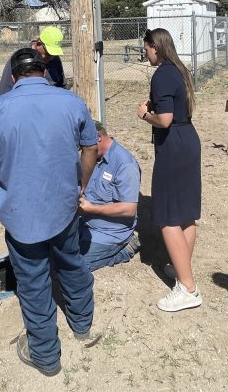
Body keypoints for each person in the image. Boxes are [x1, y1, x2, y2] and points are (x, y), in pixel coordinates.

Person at [0, 47, 98, 376]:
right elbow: (91, 147)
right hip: (64, 207)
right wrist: (80, 184)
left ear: (13, 78)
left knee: (33, 281)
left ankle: (45, 355)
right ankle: (82, 324)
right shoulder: (71, 102)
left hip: (19, 216)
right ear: (44, 72)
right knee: (71, 262)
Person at [139, 28, 202, 312]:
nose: (145, 53)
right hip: (187, 139)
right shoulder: (179, 70)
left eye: (146, 48)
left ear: (155, 46)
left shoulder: (162, 74)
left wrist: (144, 114)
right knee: (185, 213)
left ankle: (188, 288)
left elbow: (164, 120)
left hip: (173, 145)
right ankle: (181, 267)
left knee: (167, 216)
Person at [78, 122, 141, 271]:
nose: (83, 152)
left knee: (75, 268)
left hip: (109, 233)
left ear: (98, 138)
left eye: (84, 147)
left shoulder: (125, 165)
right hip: (84, 224)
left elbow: (129, 209)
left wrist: (91, 209)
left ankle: (127, 249)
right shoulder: (92, 157)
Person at [0, 26, 66, 96]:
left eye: (54, 54)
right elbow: (4, 92)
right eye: (48, 53)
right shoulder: (19, 58)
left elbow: (62, 86)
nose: (51, 57)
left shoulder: (55, 59)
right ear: (38, 45)